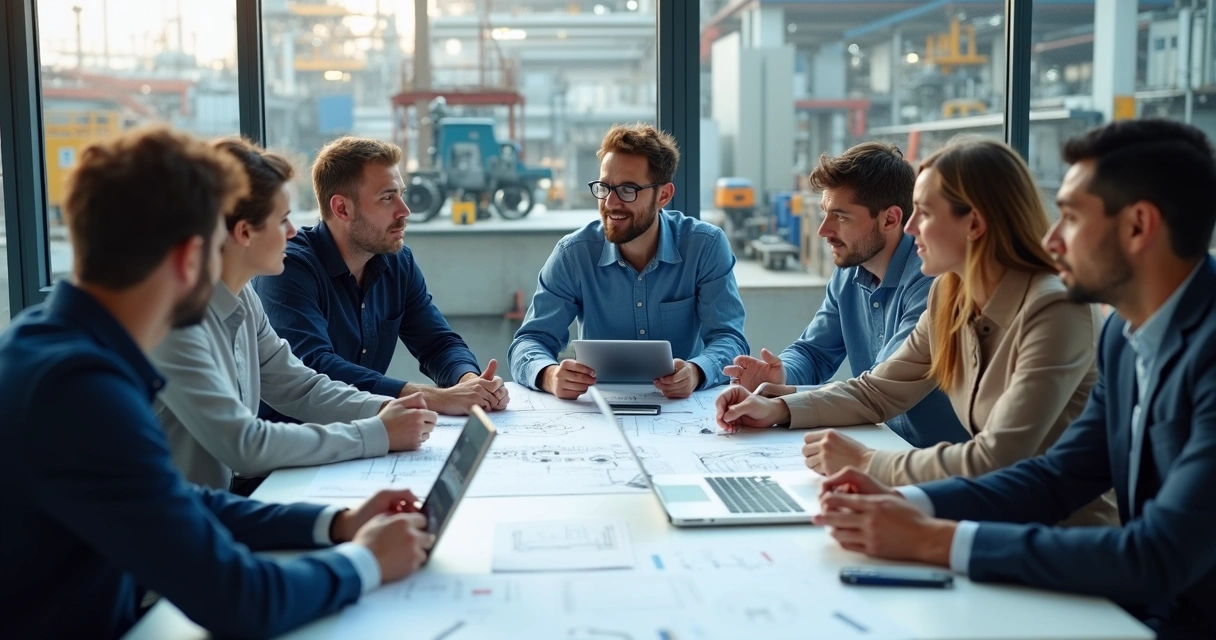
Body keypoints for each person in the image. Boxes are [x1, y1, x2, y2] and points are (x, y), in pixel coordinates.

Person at [0, 127, 434, 638]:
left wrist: (336, 524)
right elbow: (240, 599)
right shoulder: (82, 390)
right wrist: (366, 561)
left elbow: (175, 499)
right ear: (191, 257)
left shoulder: (51, 346)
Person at [810, 119, 1216, 639]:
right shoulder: (1123, 334)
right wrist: (907, 504)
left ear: (1138, 226)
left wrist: (933, 539)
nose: (1053, 238)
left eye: (1071, 217)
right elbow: (1057, 477)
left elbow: (1158, 555)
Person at [716, 137, 1115, 526]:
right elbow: (878, 391)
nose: (909, 228)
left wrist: (867, 462)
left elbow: (997, 456)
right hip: (982, 512)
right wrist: (777, 409)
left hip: (1057, 536)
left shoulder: (1055, 309)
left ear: (974, 224)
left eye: (923, 213)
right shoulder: (950, 293)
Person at [151, 137, 437, 491]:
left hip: (217, 505)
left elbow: (299, 386)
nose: (292, 231)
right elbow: (245, 446)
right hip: (176, 517)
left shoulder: (243, 298)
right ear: (244, 232)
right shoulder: (175, 320)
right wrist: (377, 433)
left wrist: (384, 410)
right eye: (283, 219)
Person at [722, 142, 967, 447]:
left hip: (939, 459)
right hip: (883, 444)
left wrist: (781, 404)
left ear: (890, 219)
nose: (823, 230)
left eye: (840, 216)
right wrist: (781, 376)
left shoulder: (932, 280)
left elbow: (880, 389)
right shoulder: (849, 272)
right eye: (825, 213)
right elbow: (814, 352)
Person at [253, 137, 507, 417]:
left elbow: (437, 343)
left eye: (401, 194)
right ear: (342, 209)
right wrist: (434, 398)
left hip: (364, 432)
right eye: (387, 198)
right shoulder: (287, 267)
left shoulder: (397, 261)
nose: (404, 210)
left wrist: (470, 383)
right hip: (294, 437)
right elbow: (315, 368)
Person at [508, 123, 748, 399]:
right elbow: (529, 342)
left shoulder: (705, 246)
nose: (611, 202)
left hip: (681, 406)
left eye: (627, 189)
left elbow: (730, 339)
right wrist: (549, 375)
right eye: (604, 187)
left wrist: (696, 371)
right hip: (598, 409)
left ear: (664, 195)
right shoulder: (573, 254)